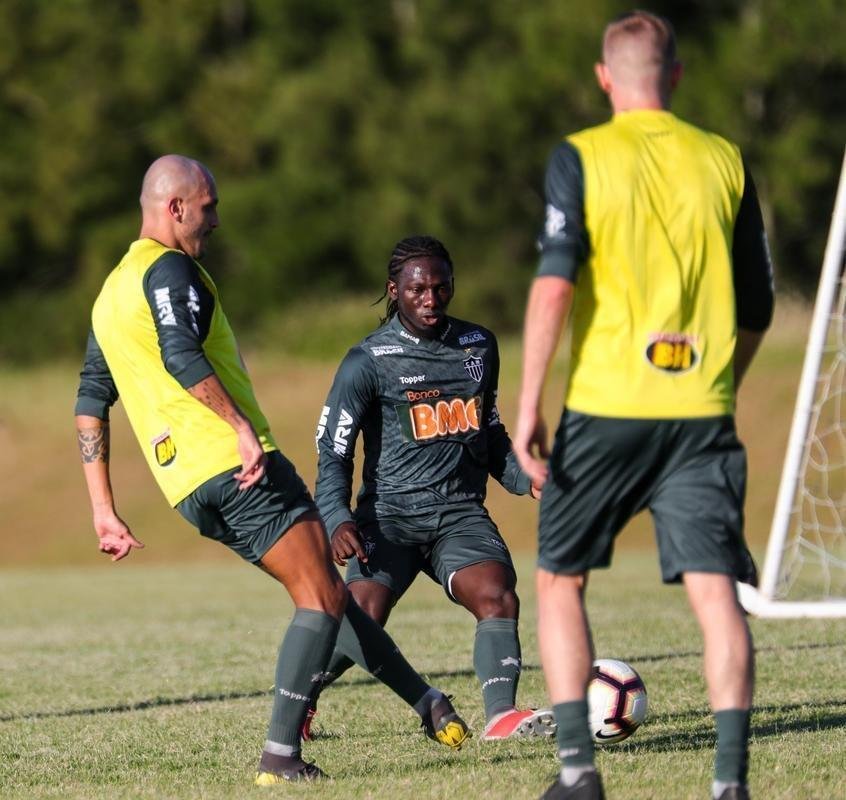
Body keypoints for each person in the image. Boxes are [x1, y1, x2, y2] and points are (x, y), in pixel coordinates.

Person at [74, 156, 470, 787]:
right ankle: (280, 756)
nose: (216, 218)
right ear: (175, 207)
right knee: (317, 599)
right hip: (235, 464)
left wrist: (102, 509)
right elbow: (180, 355)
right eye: (209, 206)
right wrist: (237, 428)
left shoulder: (110, 292)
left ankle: (427, 702)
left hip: (186, 486)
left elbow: (92, 399)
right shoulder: (171, 269)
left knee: (328, 593)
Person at [513, 11, 773, 800]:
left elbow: (555, 283)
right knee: (715, 592)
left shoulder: (581, 157)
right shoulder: (723, 158)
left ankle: (577, 774)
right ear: (677, 76)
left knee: (560, 580)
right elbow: (757, 304)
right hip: (700, 409)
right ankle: (730, 784)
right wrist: (721, 383)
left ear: (604, 78)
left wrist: (527, 404)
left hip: (605, 405)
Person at [310, 234, 554, 742]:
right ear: (394, 290)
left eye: (441, 288)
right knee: (363, 616)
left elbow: (489, 435)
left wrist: (527, 477)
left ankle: (502, 716)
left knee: (497, 596)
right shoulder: (367, 361)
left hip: (459, 514)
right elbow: (334, 452)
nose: (430, 300)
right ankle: (301, 694)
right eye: (418, 289)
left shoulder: (478, 345)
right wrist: (337, 518)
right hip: (388, 518)